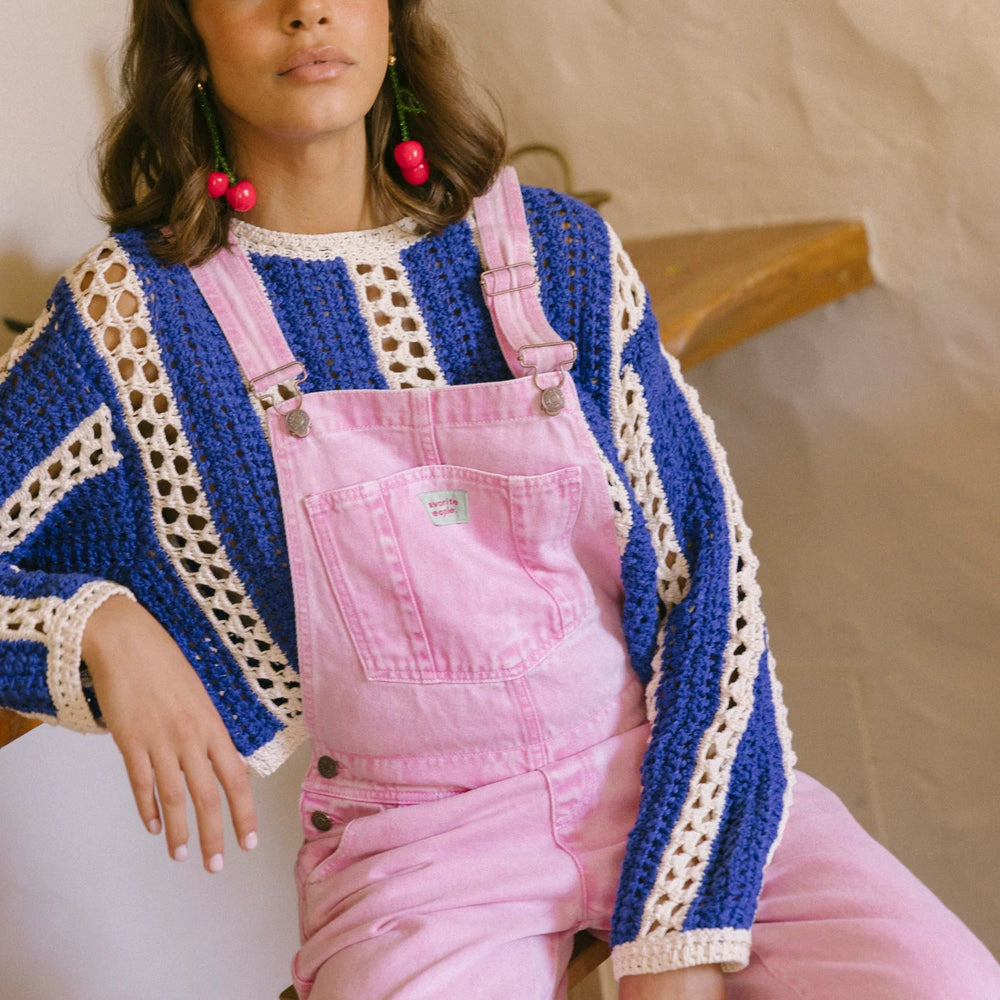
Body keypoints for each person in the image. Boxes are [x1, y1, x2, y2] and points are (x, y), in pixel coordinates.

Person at [1, 1, 998, 998]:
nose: (306, 11)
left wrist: (681, 929)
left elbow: (702, 578)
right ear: (188, 34)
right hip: (421, 850)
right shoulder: (134, 317)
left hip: (666, 768)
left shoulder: (557, 251)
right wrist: (99, 627)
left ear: (391, 21)